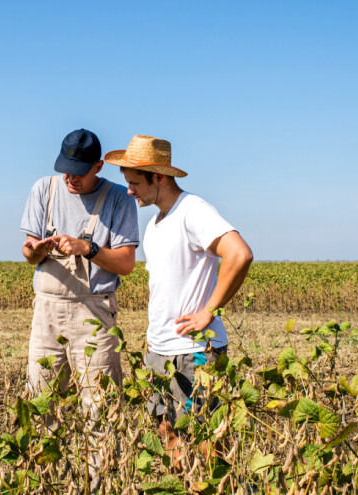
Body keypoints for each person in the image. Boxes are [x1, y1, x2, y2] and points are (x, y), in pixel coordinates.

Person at [104, 134, 253, 465]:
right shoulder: (156, 224)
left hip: (195, 351)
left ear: (158, 177)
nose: (129, 191)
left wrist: (209, 311)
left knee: (204, 441)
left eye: (135, 183)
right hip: (159, 351)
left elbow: (239, 254)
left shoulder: (193, 211)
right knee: (166, 433)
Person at [20, 128, 139, 409]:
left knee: (101, 406)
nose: (71, 178)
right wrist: (35, 252)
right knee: (40, 400)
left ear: (98, 166)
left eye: (79, 172)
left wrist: (88, 249)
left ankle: (102, 456)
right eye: (66, 170)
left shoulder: (119, 198)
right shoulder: (43, 189)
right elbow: (27, 251)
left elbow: (126, 263)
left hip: (93, 313)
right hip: (46, 312)